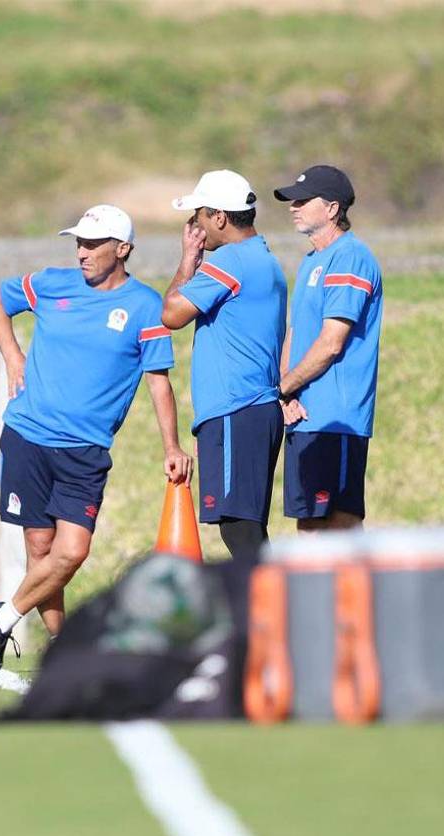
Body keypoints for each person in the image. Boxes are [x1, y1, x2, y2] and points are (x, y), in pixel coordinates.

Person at [0, 204, 193, 674]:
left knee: (70, 552)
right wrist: (12, 356)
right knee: (39, 550)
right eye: (79, 243)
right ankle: (64, 651)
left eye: (93, 244)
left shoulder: (145, 306)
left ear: (123, 249)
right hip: (28, 436)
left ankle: (2, 618)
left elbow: (158, 382)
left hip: (85, 450)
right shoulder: (54, 283)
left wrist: (171, 446)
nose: (82, 253)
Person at [162, 170, 287, 559]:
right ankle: (267, 596)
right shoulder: (264, 260)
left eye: (198, 215)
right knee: (246, 528)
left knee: (240, 530)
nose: (194, 224)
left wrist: (188, 261)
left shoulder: (232, 261)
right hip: (251, 410)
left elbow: (171, 314)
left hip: (236, 408)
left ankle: (271, 598)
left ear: (219, 217)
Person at [273, 164, 383, 530]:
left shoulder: (350, 257)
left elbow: (332, 342)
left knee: (340, 525)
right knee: (308, 526)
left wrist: (284, 387)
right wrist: (287, 393)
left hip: (337, 417)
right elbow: (296, 332)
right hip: (304, 416)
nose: (294, 207)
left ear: (333, 208)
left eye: (303, 200)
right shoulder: (311, 262)